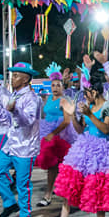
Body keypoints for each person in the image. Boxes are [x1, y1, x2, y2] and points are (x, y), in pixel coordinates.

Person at [50, 63, 109, 217]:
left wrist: (90, 114)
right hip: (84, 147)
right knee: (71, 183)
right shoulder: (89, 105)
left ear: (95, 92)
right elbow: (81, 130)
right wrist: (73, 115)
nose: (85, 96)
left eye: (87, 92)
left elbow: (106, 129)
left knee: (98, 189)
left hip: (102, 151)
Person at [0, 62, 43, 217]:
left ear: (26, 79)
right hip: (11, 144)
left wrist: (15, 112)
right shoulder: (14, 95)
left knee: (22, 184)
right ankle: (10, 203)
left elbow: (28, 121)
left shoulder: (32, 98)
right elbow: (5, 118)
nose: (12, 78)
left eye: (16, 75)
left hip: (25, 147)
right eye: (13, 75)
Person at [36, 63, 72, 207]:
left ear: (62, 87)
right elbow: (45, 115)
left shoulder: (65, 100)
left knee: (63, 166)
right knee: (52, 165)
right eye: (53, 85)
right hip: (49, 133)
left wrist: (53, 133)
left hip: (62, 135)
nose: (55, 88)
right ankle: (49, 194)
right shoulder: (48, 99)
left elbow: (67, 121)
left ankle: (61, 195)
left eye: (58, 85)